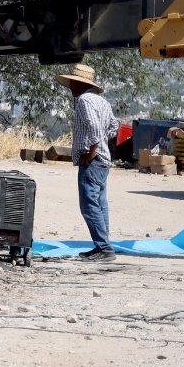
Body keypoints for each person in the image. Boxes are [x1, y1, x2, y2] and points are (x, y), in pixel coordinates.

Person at [59, 63, 120, 262]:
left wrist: (92, 151)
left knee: (89, 205)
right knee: (100, 204)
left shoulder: (84, 100)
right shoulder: (101, 101)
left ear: (78, 83)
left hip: (93, 161)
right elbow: (113, 126)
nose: (70, 87)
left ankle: (104, 248)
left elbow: (94, 127)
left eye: (71, 84)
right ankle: (103, 245)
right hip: (104, 161)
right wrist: (102, 142)